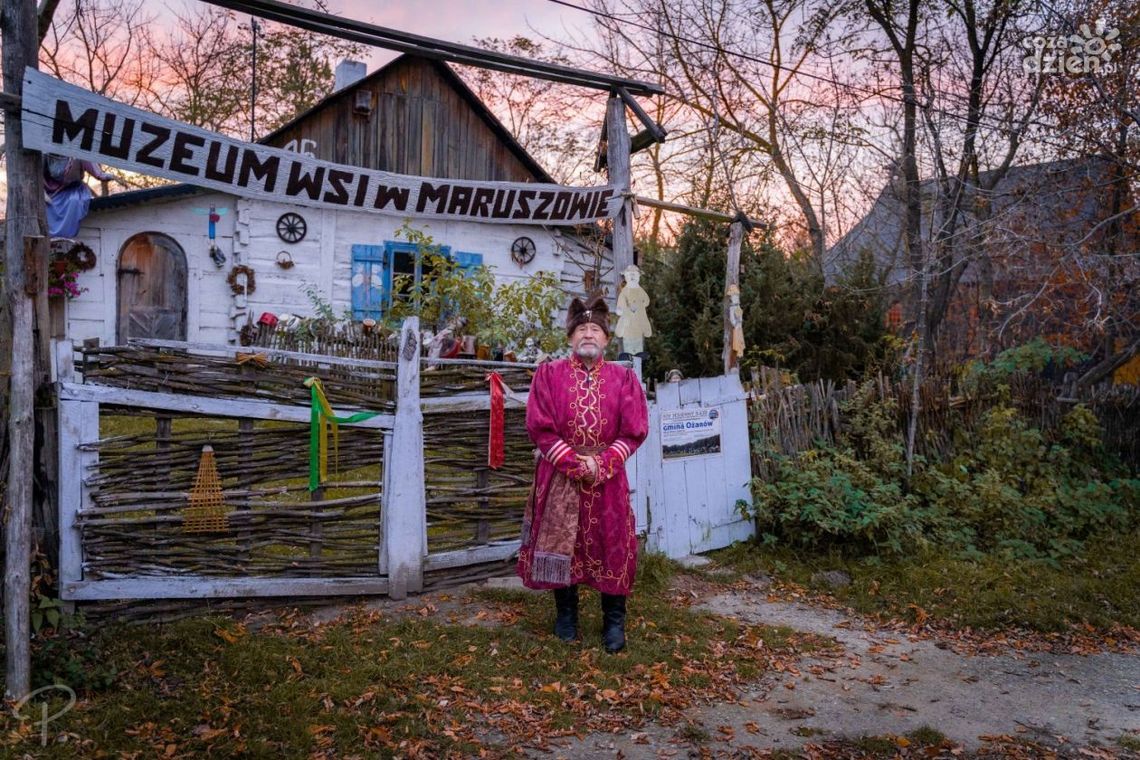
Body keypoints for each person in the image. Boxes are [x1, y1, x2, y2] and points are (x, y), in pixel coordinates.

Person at [517, 295, 649, 652]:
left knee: (613, 546)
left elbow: (634, 430)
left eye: (594, 329)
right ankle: (566, 616)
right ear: (571, 338)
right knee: (565, 544)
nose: (587, 335)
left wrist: (602, 463)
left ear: (606, 339)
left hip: (608, 480)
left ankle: (614, 623)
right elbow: (540, 427)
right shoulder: (549, 375)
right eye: (581, 329)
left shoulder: (624, 380)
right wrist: (574, 463)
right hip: (560, 477)